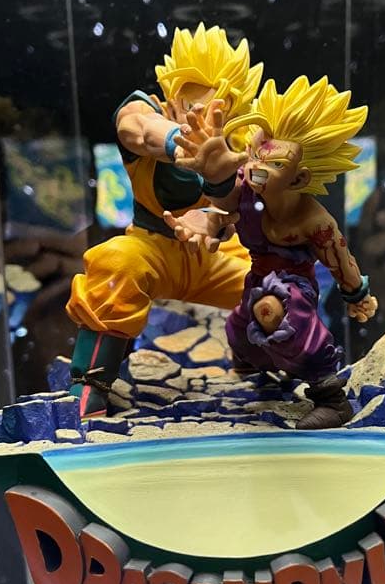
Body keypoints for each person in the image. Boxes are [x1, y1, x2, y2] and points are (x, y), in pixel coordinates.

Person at [66, 24, 262, 415]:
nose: (202, 116)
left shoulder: (242, 142)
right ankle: (89, 390)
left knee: (275, 282)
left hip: (213, 256)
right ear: (173, 94)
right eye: (193, 104)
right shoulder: (144, 109)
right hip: (152, 248)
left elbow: (237, 210)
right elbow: (137, 130)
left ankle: (272, 368)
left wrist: (218, 202)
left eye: (218, 109)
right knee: (116, 263)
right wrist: (180, 142)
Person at [168, 75, 378, 430]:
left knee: (273, 312)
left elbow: (340, 259)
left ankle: (332, 399)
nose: (255, 168)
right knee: (239, 330)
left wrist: (357, 294)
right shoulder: (247, 190)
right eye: (253, 155)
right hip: (257, 276)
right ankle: (262, 370)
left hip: (295, 285)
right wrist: (214, 185)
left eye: (274, 164)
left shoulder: (313, 220)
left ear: (299, 178)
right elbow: (225, 201)